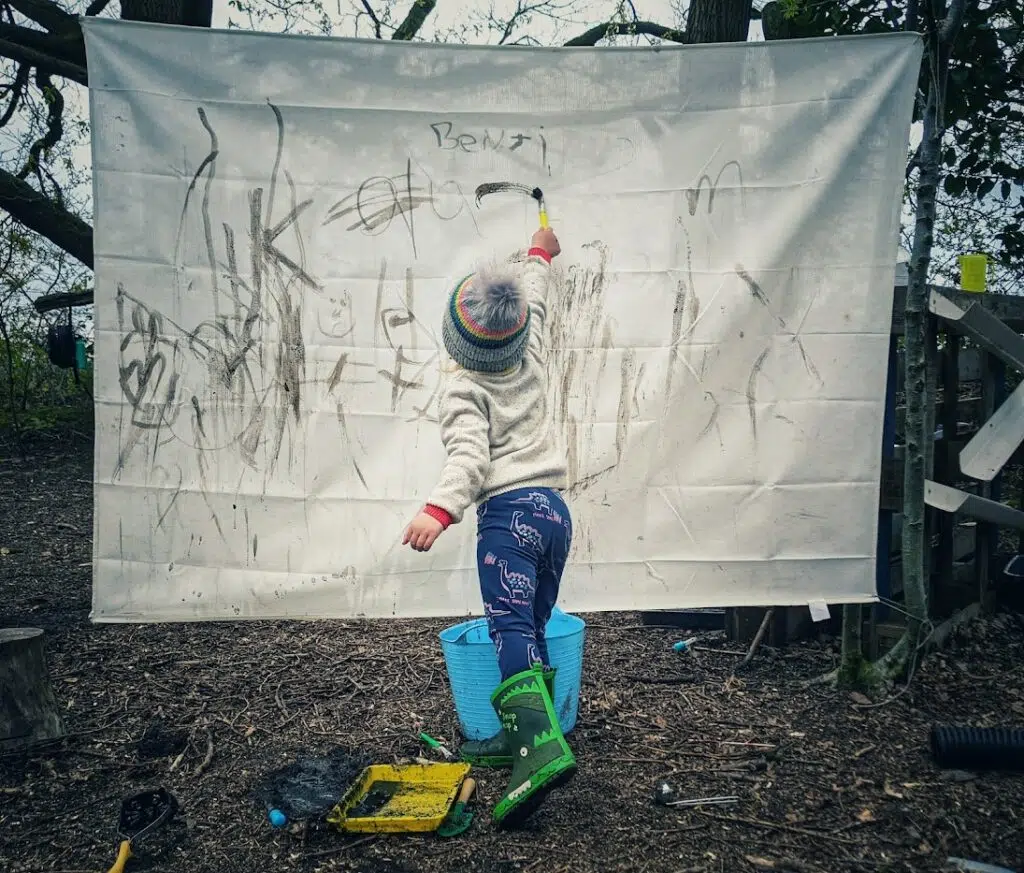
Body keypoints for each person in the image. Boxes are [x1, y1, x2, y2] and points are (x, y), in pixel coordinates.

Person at [402, 225, 575, 828]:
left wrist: (439, 509)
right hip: (554, 514)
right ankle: (521, 735)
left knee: (508, 629)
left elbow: (470, 460)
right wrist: (537, 255)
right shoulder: (534, 348)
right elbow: (539, 299)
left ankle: (539, 752)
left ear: (455, 337)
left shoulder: (462, 386)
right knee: (530, 625)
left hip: (508, 521)